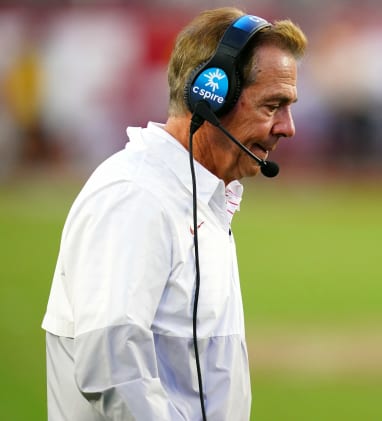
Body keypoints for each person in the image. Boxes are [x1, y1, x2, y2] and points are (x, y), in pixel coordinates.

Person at [41, 7, 307, 420]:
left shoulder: (200, 196)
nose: (287, 127)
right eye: (273, 105)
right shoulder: (135, 198)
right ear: (211, 97)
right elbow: (113, 372)